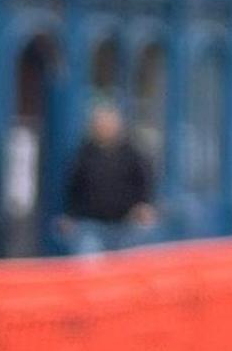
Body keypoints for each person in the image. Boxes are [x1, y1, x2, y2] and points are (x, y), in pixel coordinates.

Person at [55, 103, 158, 254]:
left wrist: (145, 206)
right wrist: (69, 216)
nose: (105, 128)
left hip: (125, 225)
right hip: (90, 225)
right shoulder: (83, 155)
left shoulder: (133, 154)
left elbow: (145, 182)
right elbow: (72, 187)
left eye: (109, 124)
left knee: (126, 269)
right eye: (100, 124)